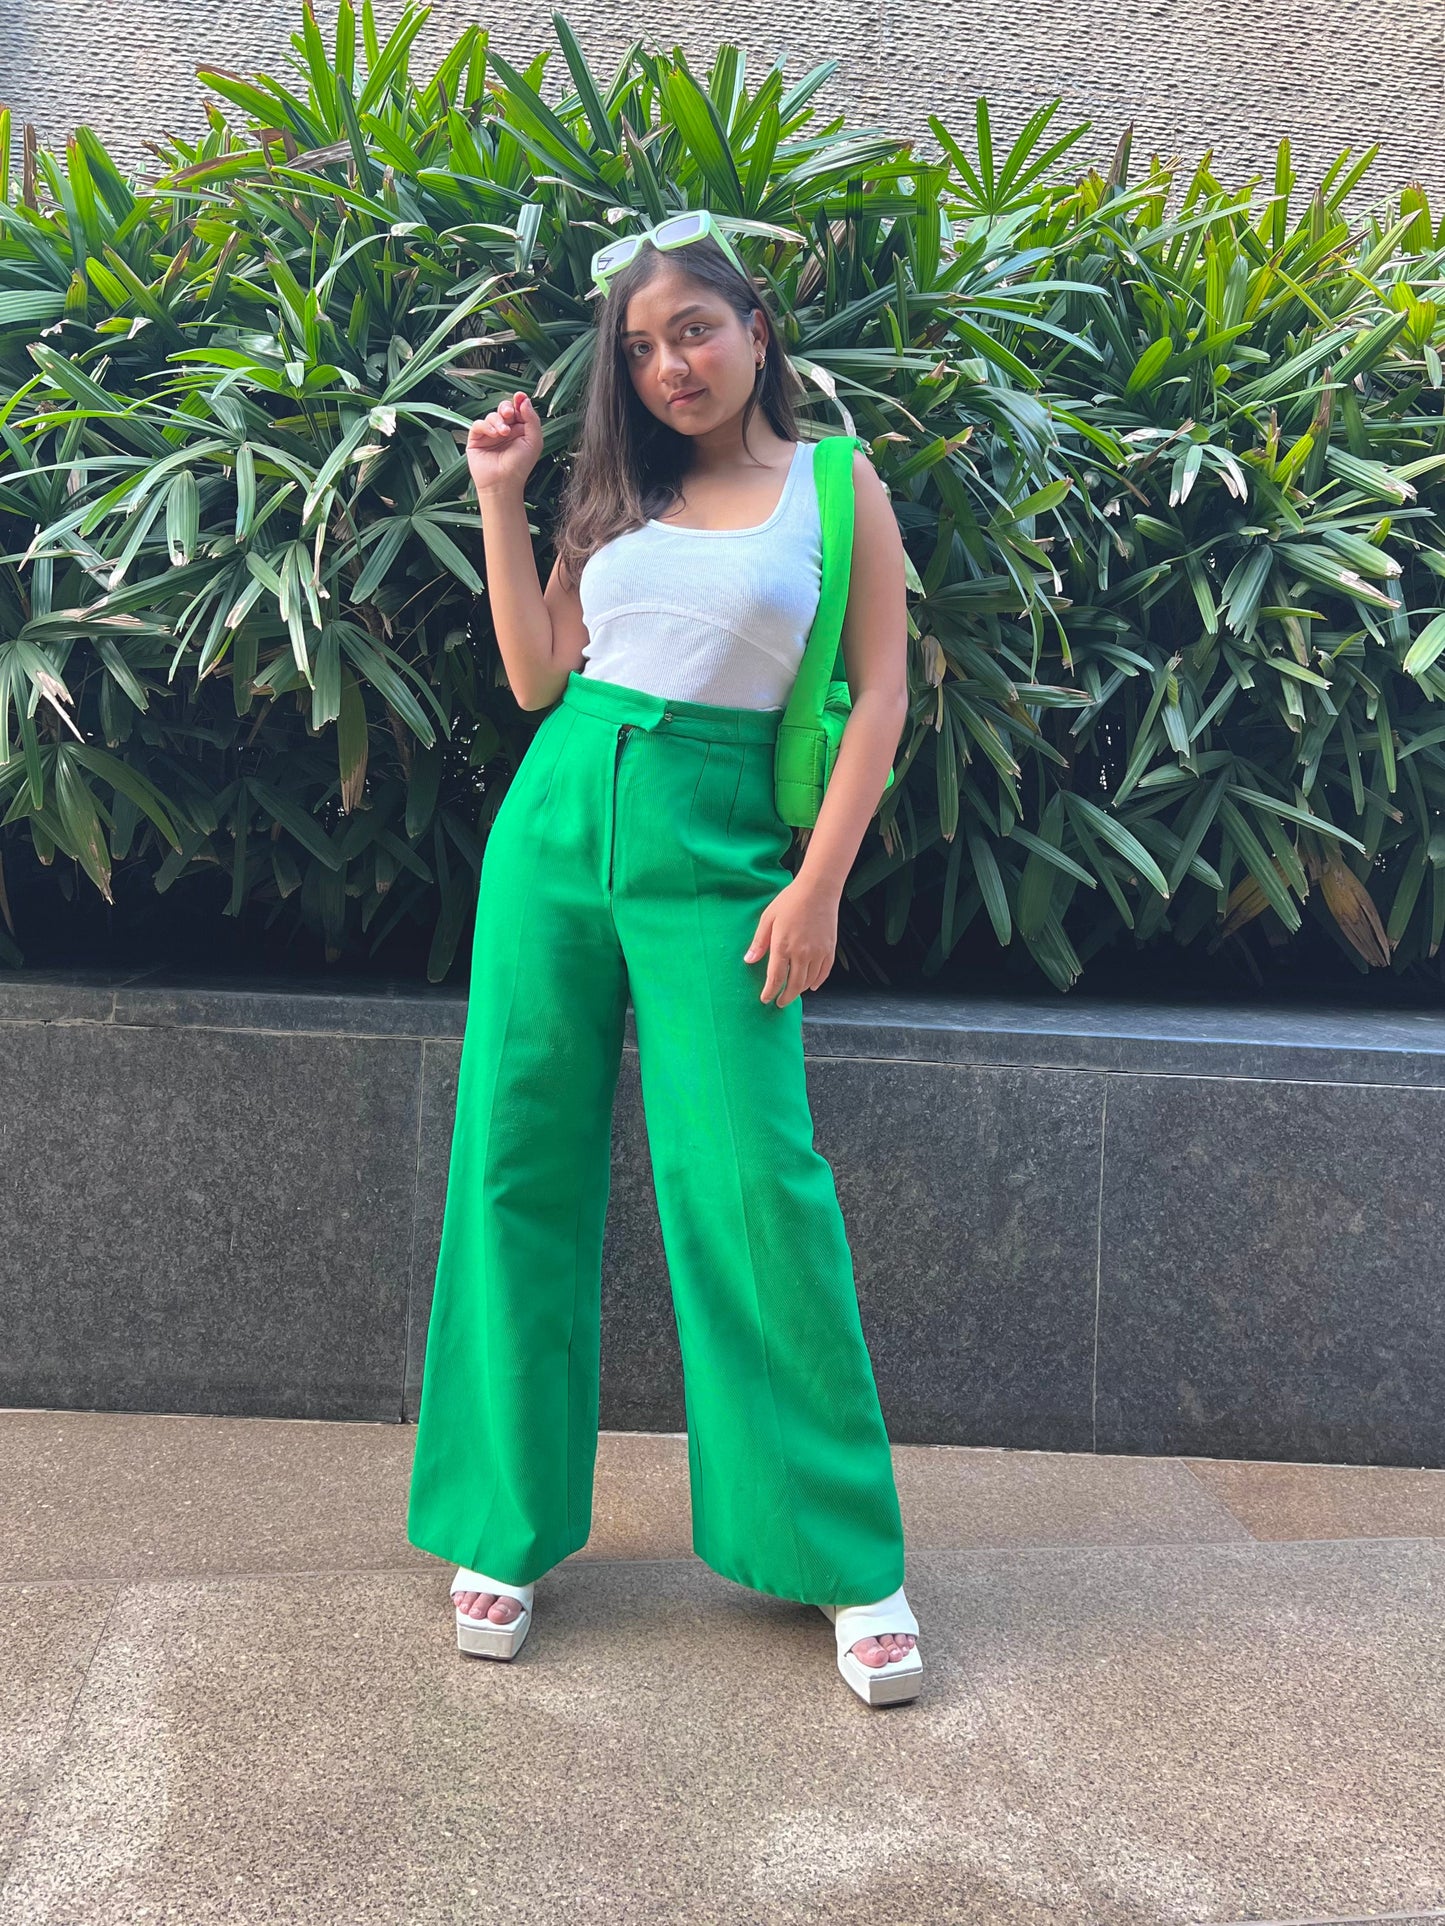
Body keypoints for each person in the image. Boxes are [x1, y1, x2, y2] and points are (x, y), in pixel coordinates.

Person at [405, 210, 921, 1707]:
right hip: (562, 816)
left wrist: (818, 886)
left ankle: (842, 1554)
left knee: (753, 1180)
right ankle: (501, 1526)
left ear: (756, 329)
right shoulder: (615, 494)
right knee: (515, 1156)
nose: (669, 364)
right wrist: (502, 497)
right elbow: (535, 676)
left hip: (721, 843)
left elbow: (883, 693)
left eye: (693, 329)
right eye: (638, 347)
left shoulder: (835, 483)